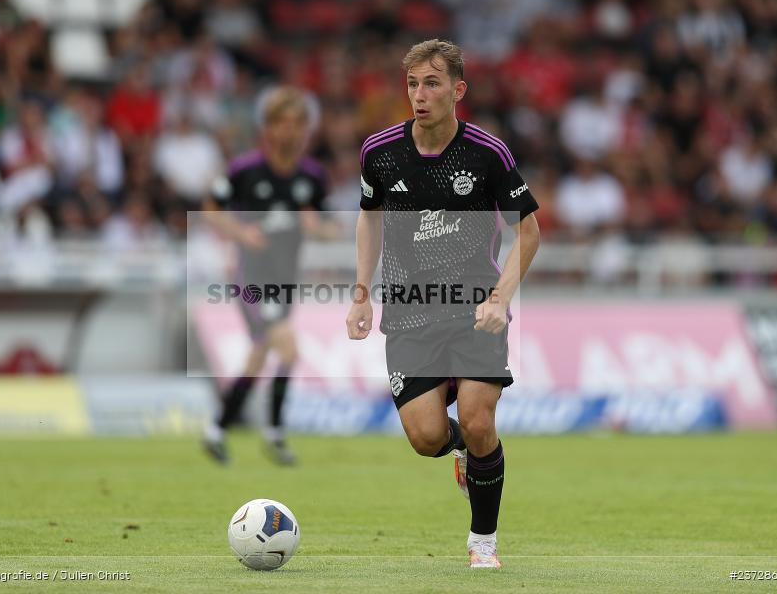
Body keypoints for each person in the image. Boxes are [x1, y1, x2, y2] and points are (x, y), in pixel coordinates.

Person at [346, 40, 541, 568]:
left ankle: (483, 541)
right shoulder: (379, 152)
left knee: (479, 420)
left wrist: (501, 298)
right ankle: (459, 449)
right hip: (410, 311)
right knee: (426, 437)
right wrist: (361, 293)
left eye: (431, 83)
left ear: (458, 90)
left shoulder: (487, 153)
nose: (419, 94)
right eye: (412, 84)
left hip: (476, 309)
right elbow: (369, 217)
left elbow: (529, 230)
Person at [202, 86, 334, 466]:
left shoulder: (312, 177)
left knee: (259, 357)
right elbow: (210, 209)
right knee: (288, 348)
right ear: (269, 127)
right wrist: (241, 233)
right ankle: (274, 433)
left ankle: (216, 429)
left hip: (285, 280)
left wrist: (319, 228)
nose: (291, 132)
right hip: (251, 278)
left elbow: (328, 226)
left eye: (298, 124)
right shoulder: (245, 171)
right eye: (283, 123)